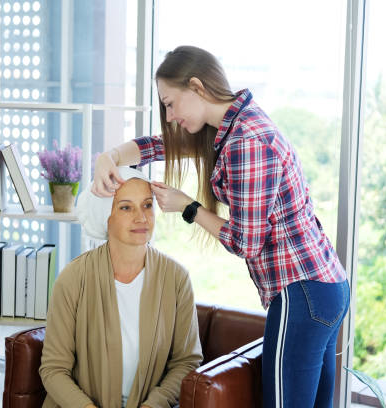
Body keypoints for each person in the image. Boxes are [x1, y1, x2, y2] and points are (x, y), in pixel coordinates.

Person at [92, 46, 350, 408]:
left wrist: (188, 207)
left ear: (196, 87)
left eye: (170, 103)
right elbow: (160, 146)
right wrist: (110, 157)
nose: (169, 115)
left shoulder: (245, 142)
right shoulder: (234, 126)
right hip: (323, 288)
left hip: (301, 292)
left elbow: (247, 243)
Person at [39, 166, 202, 408]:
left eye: (147, 205)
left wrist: (151, 406)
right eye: (126, 207)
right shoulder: (73, 278)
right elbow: (53, 369)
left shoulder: (176, 279)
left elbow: (186, 363)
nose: (141, 217)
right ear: (105, 216)